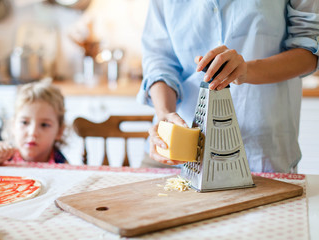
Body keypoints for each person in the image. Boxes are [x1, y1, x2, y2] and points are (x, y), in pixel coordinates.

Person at [137, 0, 319, 173]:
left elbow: (309, 50)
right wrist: (164, 113)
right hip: (175, 151)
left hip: (260, 156)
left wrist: (246, 70)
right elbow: (159, 60)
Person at [0, 81, 67, 165]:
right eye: (24, 122)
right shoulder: (6, 153)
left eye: (44, 125)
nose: (33, 132)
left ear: (59, 131)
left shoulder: (61, 162)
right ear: (13, 125)